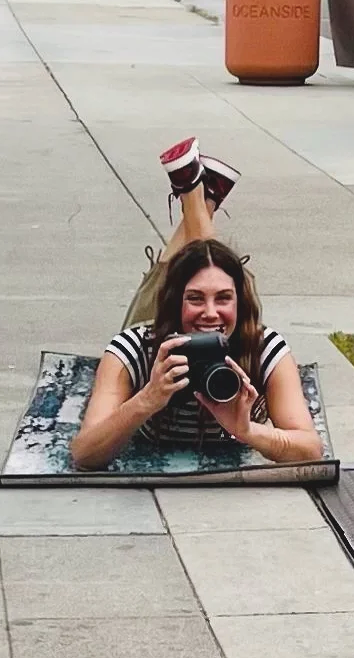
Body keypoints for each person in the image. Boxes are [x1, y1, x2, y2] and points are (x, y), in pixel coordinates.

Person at [71, 139, 324, 469]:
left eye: (223, 300)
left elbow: (310, 449)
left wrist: (247, 430)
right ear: (176, 303)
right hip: (160, 333)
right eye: (194, 299)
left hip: (237, 338)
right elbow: (84, 453)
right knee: (194, 278)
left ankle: (196, 195)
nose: (209, 312)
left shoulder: (263, 349)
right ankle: (201, 198)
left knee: (212, 274)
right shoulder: (135, 349)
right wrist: (147, 399)